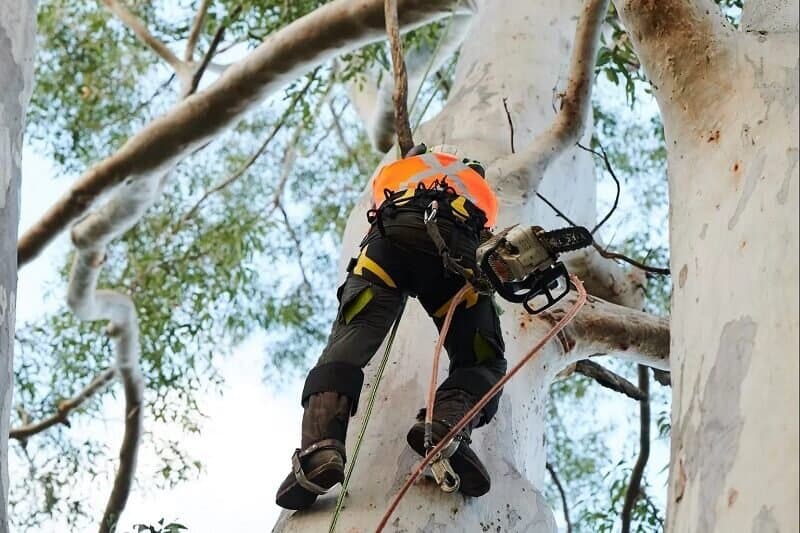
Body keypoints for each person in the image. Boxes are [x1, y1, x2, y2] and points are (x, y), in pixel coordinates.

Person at [275, 144, 507, 510]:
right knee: (483, 361)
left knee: (348, 345)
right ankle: (444, 425)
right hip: (454, 256)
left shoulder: (400, 170)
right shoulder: (479, 191)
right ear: (473, 169)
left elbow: (377, 203)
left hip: (387, 247)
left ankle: (320, 449)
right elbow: (488, 243)